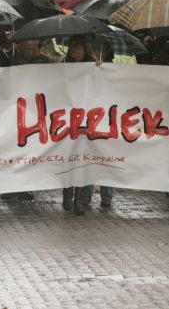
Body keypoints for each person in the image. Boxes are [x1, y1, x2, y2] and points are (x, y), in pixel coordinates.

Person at [61, 36, 114, 215]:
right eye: (72, 46)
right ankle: (67, 192)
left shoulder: (93, 67)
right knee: (69, 157)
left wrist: (101, 69)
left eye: (77, 46)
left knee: (83, 158)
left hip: (88, 120)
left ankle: (79, 198)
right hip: (68, 120)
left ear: (85, 49)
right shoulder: (62, 66)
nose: (74, 49)